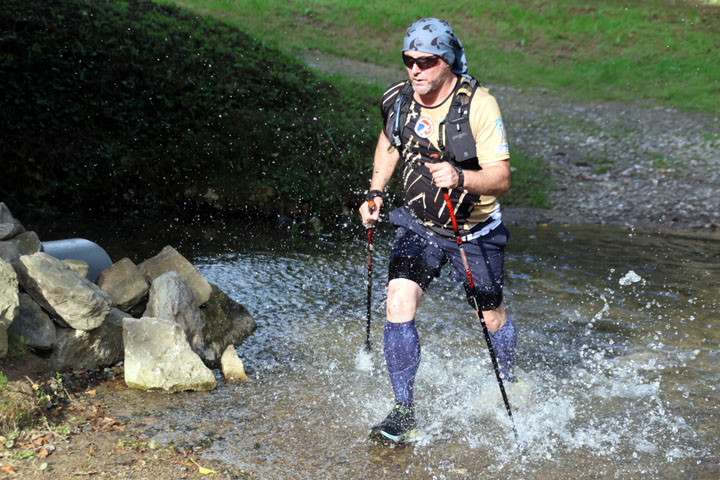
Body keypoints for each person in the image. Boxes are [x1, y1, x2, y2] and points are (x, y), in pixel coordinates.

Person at [359, 17, 517, 444]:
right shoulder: (399, 102)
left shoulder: (480, 105)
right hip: (420, 223)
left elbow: (501, 178)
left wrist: (461, 178)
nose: (415, 70)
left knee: (491, 314)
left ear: (447, 62)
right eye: (408, 60)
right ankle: (403, 412)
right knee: (398, 300)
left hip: (474, 230)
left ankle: (510, 379)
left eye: (425, 61)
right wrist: (375, 192)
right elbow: (389, 144)